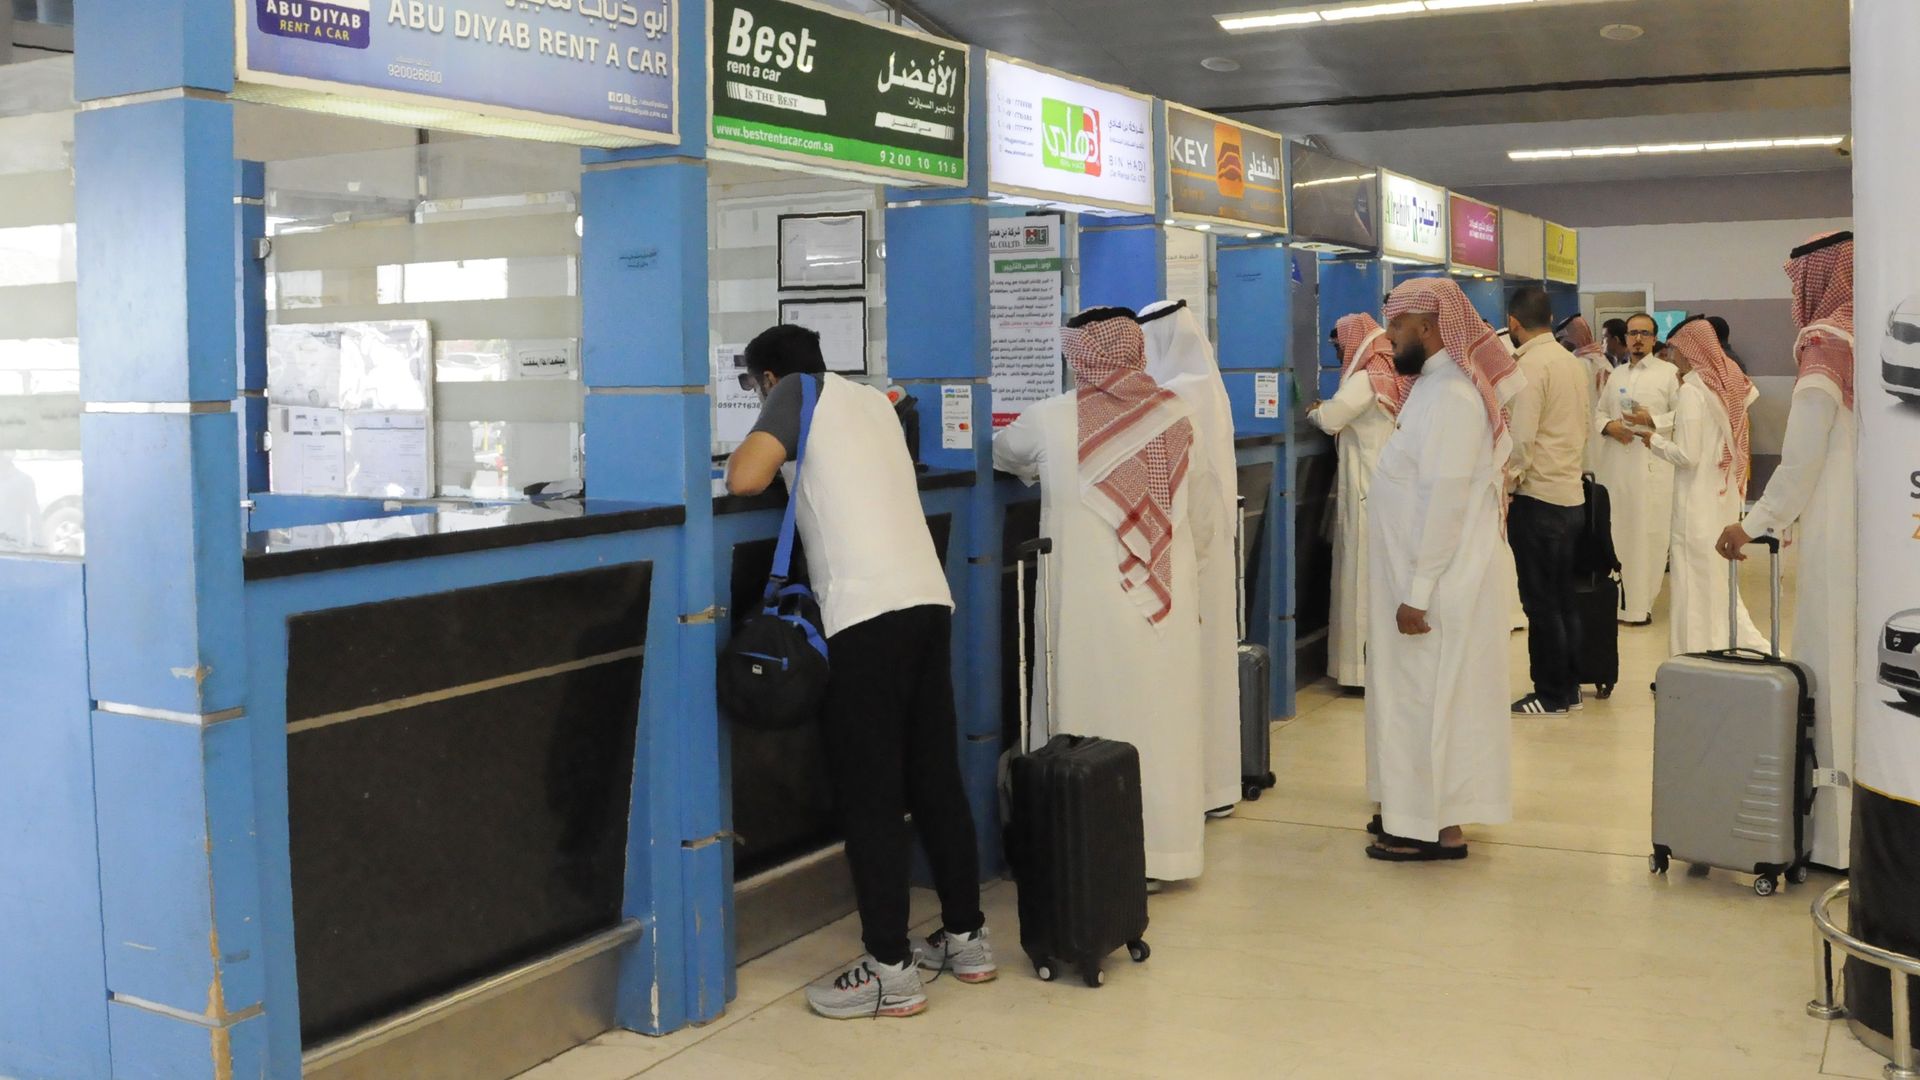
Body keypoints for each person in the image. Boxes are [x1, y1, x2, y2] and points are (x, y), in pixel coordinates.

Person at [726, 324, 992, 1020]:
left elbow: (745, 476)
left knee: (871, 794)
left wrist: (760, 430)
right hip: (928, 601)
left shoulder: (793, 395)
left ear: (766, 378)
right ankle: (967, 940)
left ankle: (890, 970)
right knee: (934, 777)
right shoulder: (874, 403)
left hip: (864, 616)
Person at [993, 310, 1209, 883]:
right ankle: (1164, 854)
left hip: (1086, 602)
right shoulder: (1177, 414)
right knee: (1163, 720)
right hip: (1167, 595)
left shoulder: (1050, 419)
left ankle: (1082, 856)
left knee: (1086, 715)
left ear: (1077, 354)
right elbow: (1204, 516)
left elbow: (1001, 454)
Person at [1364, 277, 1520, 861]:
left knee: (1431, 702)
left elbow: (1446, 501)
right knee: (1413, 700)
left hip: (1437, 585)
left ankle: (1436, 828)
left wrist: (1418, 591)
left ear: (1428, 328)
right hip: (1420, 580)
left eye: (1397, 327)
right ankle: (1410, 812)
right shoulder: (1431, 389)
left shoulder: (1453, 397)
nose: (1390, 338)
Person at [1716, 230, 1856, 872]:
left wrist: (1755, 523)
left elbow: (1801, 461)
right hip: (1892, 526)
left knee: (1833, 660)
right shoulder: (1885, 334)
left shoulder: (1827, 342)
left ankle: (1837, 835)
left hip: (1840, 529)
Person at [1139, 299, 1243, 815]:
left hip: (1192, 553)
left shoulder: (1176, 395)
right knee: (1213, 670)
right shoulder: (1206, 387)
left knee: (1192, 675)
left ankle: (1200, 790)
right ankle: (1216, 786)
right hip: (1211, 551)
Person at [1642, 317, 1767, 656]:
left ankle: (1692, 653)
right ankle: (1720, 644)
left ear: (1690, 351)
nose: (1673, 356)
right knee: (1716, 577)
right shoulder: (1725, 383)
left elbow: (1687, 455)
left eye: (1676, 349)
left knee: (1694, 579)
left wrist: (1651, 440)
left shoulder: (1694, 391)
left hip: (1696, 500)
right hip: (1722, 495)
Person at [1308, 313, 1413, 690]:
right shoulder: (1390, 371)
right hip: (1386, 488)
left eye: (1339, 344)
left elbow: (1333, 417)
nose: (1338, 351)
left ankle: (1358, 670)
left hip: (1366, 489)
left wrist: (1315, 412)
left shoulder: (1367, 376)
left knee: (1361, 577)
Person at [1505, 287, 1593, 715]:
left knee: (1540, 603)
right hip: (1570, 496)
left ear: (1514, 323)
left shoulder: (1530, 366)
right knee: (1563, 600)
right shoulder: (1570, 363)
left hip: (1538, 498)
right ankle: (1571, 687)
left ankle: (1550, 693)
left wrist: (1506, 483)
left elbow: (1521, 439)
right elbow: (1587, 425)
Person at [1593, 312, 1681, 624]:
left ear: (1654, 338)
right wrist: (1608, 427)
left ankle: (1641, 606)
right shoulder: (1616, 375)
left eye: (1644, 333)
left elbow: (1683, 416)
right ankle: (1620, 603)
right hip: (1619, 469)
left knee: (1650, 536)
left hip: (1653, 468)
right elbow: (1599, 412)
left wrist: (1653, 421)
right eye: (1632, 333)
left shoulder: (1669, 374)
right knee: (1619, 532)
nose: (1638, 339)